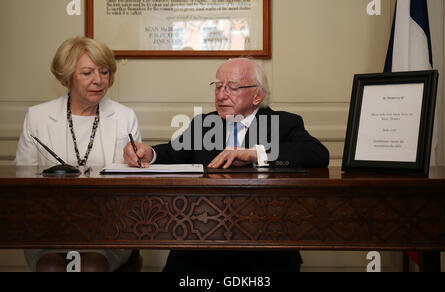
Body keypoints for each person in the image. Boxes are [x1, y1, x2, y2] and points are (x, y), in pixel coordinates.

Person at [123, 57, 329, 272]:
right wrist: (149, 153)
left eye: (232, 88)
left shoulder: (283, 123)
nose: (221, 95)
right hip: (201, 243)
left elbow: (317, 153)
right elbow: (173, 152)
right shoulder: (204, 124)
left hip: (264, 244)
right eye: (218, 87)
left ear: (258, 95)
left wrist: (254, 154)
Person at [15, 36, 141, 272]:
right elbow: (24, 183)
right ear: (67, 76)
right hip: (48, 229)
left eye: (104, 72)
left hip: (108, 229)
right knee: (50, 268)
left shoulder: (125, 117)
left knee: (92, 266)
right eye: (87, 73)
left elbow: (131, 187)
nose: (99, 80)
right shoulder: (38, 117)